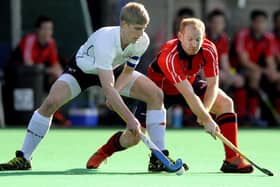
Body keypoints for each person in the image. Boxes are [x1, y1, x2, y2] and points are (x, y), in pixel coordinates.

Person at [0, 2, 170, 171]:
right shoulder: (106, 40)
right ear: (124, 25)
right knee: (50, 103)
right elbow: (107, 89)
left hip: (112, 68)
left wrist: (117, 92)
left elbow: (127, 72)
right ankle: (24, 157)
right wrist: (130, 118)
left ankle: (158, 158)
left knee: (155, 95)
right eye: (137, 28)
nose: (141, 34)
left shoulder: (142, 41)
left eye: (144, 28)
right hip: (82, 70)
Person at [90, 18, 253, 173]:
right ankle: (104, 152)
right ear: (180, 36)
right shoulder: (169, 56)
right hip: (158, 91)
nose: (194, 44)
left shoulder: (209, 49)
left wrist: (205, 110)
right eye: (190, 39)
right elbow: (188, 94)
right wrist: (207, 119)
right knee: (132, 138)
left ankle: (232, 159)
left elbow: (212, 84)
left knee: (225, 103)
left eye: (198, 39)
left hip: (188, 83)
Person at [6, 15, 68, 126]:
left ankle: (55, 117)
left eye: (50, 29)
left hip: (38, 76)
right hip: (19, 78)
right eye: (44, 29)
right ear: (37, 30)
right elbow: (28, 64)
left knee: (57, 82)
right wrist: (49, 71)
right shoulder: (30, 40)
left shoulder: (51, 43)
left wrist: (61, 77)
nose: (47, 32)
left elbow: (55, 65)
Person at [234, 10, 280, 126]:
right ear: (252, 22)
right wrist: (264, 70)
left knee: (276, 77)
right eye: (258, 22)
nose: (260, 25)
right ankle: (249, 115)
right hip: (239, 69)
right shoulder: (243, 35)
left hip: (258, 69)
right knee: (255, 75)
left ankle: (276, 116)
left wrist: (272, 72)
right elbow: (244, 61)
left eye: (263, 22)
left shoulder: (268, 38)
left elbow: (270, 60)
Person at [206, 9, 247, 122]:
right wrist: (219, 74)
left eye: (220, 23)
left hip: (217, 71)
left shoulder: (223, 39)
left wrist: (230, 75)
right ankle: (205, 115)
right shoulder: (202, 36)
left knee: (239, 80)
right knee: (216, 79)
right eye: (215, 22)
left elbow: (224, 62)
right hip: (202, 71)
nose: (217, 25)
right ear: (209, 23)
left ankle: (241, 116)